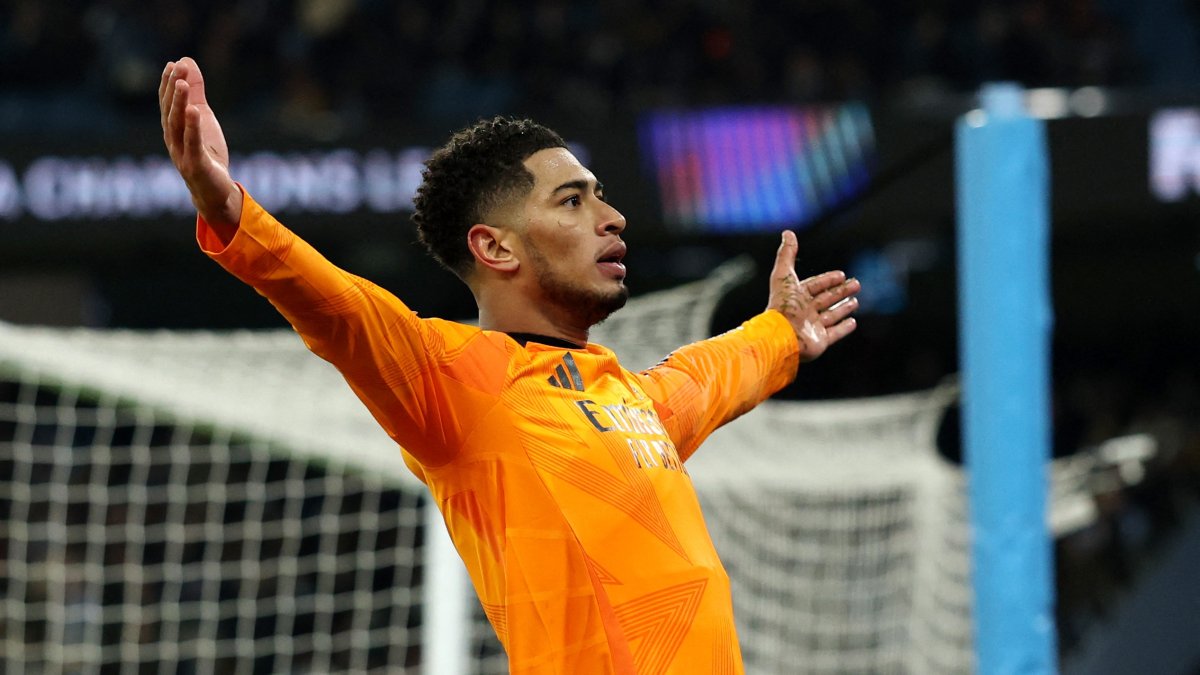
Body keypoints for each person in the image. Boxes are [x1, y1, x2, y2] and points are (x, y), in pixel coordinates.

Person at [160, 56, 861, 674]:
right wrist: (231, 211)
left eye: (601, 194)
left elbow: (714, 371)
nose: (611, 216)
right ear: (496, 249)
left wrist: (780, 330)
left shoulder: (630, 399)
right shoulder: (457, 384)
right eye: (573, 200)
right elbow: (339, 308)